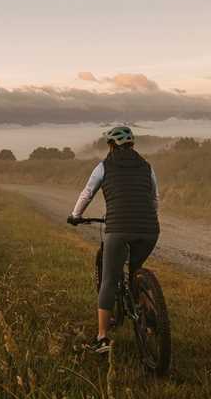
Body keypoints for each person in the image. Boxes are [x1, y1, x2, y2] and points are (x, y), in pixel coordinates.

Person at [67, 126, 160, 354]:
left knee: (109, 279)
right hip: (149, 229)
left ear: (111, 145)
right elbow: (154, 198)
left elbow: (87, 193)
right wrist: (150, 218)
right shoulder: (147, 167)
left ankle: (102, 338)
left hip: (118, 229)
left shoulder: (104, 166)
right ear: (132, 145)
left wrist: (75, 216)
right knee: (136, 270)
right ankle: (150, 318)